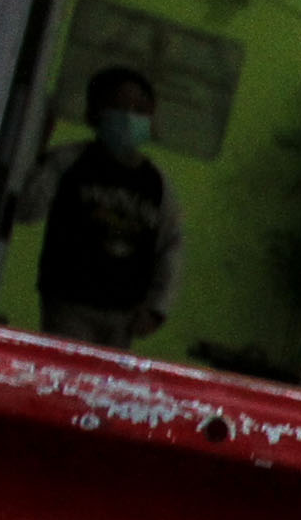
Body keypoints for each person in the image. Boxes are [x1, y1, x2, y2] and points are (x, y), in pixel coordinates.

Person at [14, 66, 183, 348]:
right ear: (94, 113)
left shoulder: (157, 183)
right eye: (118, 106)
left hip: (124, 315)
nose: (129, 117)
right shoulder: (67, 162)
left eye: (139, 109)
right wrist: (35, 149)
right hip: (69, 305)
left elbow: (171, 246)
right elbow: (26, 210)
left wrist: (157, 308)